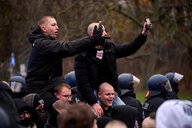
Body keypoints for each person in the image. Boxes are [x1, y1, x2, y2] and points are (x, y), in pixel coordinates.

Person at [75, 20, 151, 117]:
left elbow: (128, 49)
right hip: (90, 94)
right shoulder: (82, 54)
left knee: (127, 114)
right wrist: (94, 103)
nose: (106, 33)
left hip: (109, 91)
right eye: (102, 31)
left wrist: (143, 35)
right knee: (96, 116)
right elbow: (83, 83)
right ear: (92, 33)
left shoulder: (109, 48)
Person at [25, 15, 104, 95]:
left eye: (56, 24)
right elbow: (68, 48)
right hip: (39, 90)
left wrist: (93, 42)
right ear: (44, 29)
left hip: (50, 85)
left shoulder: (47, 42)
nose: (57, 27)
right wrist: (92, 39)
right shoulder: (42, 44)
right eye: (53, 25)